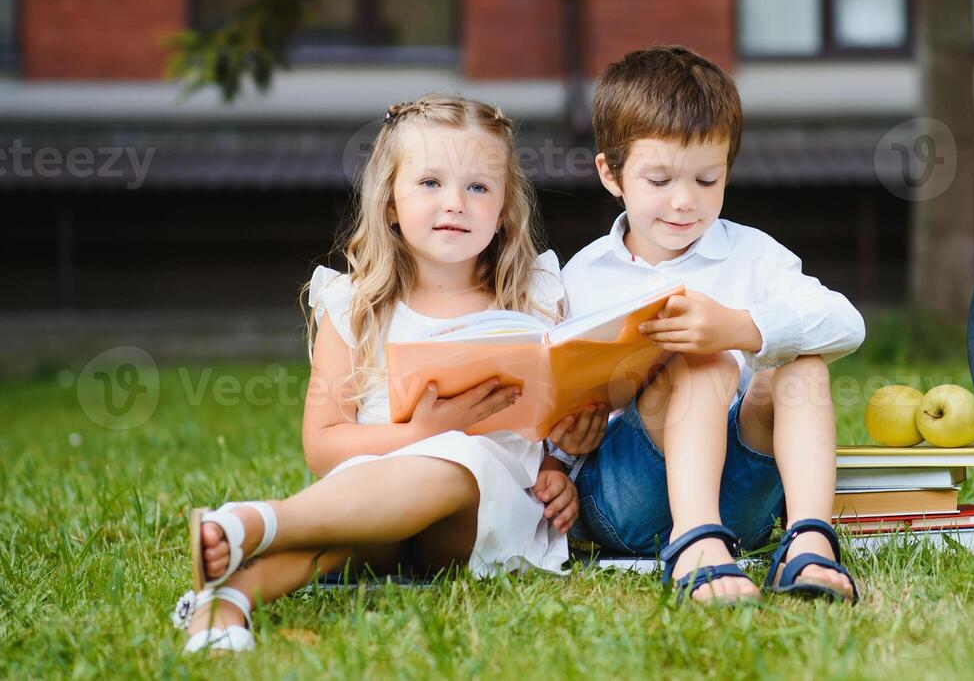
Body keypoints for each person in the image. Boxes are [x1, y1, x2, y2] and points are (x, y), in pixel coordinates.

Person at [172, 94, 607, 653]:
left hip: (483, 519)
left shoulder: (536, 298)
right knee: (353, 522)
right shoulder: (355, 304)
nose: (455, 203)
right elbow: (322, 443)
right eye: (430, 183)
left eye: (478, 187)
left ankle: (259, 522)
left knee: (461, 457)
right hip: (368, 505)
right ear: (391, 203)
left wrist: (558, 467)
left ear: (503, 210)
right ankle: (225, 602)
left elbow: (554, 417)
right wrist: (416, 434)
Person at [560, 46, 866, 605]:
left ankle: (808, 541)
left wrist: (739, 327)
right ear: (611, 174)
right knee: (698, 363)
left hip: (744, 503)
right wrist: (559, 457)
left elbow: (846, 323)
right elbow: (550, 384)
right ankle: (693, 545)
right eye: (659, 179)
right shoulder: (581, 276)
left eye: (707, 179)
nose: (684, 202)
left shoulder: (751, 254)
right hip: (632, 500)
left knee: (801, 362)